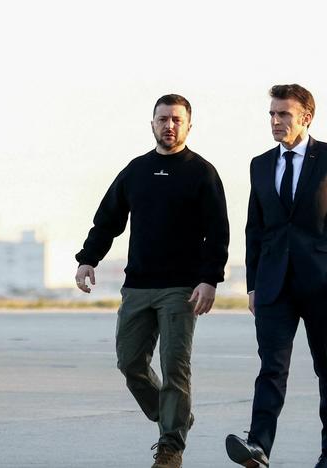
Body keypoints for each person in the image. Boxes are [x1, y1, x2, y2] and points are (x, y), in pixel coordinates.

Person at [75, 94, 229, 468]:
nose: (169, 125)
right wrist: (87, 260)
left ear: (189, 125)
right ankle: (174, 417)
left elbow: (218, 233)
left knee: (175, 367)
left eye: (177, 119)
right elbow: (108, 220)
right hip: (138, 286)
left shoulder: (202, 173)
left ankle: (171, 446)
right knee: (130, 363)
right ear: (152, 124)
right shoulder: (136, 170)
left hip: (181, 289)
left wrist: (209, 280)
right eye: (163, 119)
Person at [225, 84, 327, 468]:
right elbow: (255, 229)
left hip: (323, 284)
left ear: (306, 117)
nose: (275, 121)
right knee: (271, 368)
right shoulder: (260, 164)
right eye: (272, 113)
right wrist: (253, 284)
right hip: (273, 286)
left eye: (283, 114)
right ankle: (258, 447)